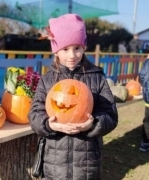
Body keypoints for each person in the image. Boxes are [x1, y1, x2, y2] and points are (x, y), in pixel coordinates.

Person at [28, 13, 118, 179]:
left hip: (87, 164)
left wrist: (92, 124)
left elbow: (110, 116)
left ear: (84, 47)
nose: (72, 55)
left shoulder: (97, 77)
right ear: (56, 51)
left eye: (77, 48)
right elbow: (34, 114)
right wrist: (49, 125)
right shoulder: (47, 80)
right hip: (54, 164)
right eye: (65, 49)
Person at [138, 50, 149, 152]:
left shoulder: (148, 62)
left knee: (148, 121)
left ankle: (145, 143)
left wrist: (146, 87)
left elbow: (142, 77)